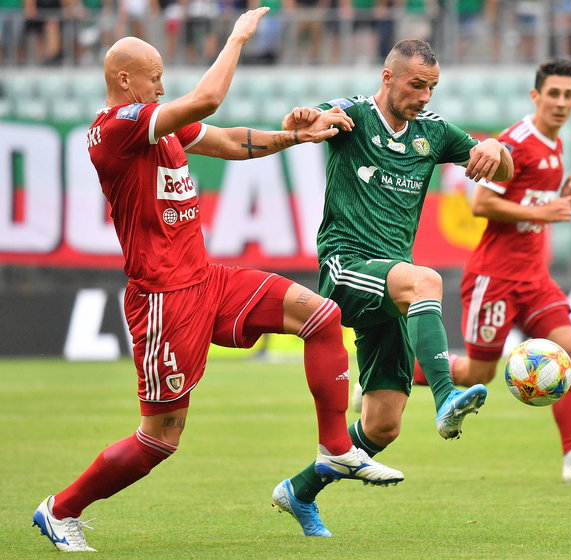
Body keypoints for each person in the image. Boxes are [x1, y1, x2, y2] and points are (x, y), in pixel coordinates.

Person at [31, 8, 404, 553]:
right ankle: (59, 510)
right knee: (160, 439)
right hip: (163, 298)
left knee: (320, 315)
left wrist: (294, 137)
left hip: (207, 279)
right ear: (124, 80)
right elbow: (208, 101)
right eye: (154, 75)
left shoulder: (156, 120)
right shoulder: (116, 128)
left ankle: (334, 448)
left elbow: (227, 140)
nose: (162, 84)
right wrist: (236, 38)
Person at [271, 39, 514, 537]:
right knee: (427, 278)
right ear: (388, 78)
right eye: (416, 85)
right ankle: (446, 396)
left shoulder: (433, 132)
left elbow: (504, 171)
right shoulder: (353, 115)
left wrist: (497, 149)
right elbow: (304, 122)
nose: (425, 96)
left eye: (432, 87)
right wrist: (303, 120)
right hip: (346, 268)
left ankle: (298, 491)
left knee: (383, 425)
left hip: (390, 288)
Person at [424, 59, 571, 483]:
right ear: (536, 96)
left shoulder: (555, 145)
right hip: (494, 277)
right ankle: (395, 373)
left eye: (569, 95)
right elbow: (480, 204)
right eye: (553, 94)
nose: (561, 102)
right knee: (478, 374)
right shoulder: (516, 142)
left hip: (534, 276)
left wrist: (563, 202)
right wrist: (549, 211)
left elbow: (534, 208)